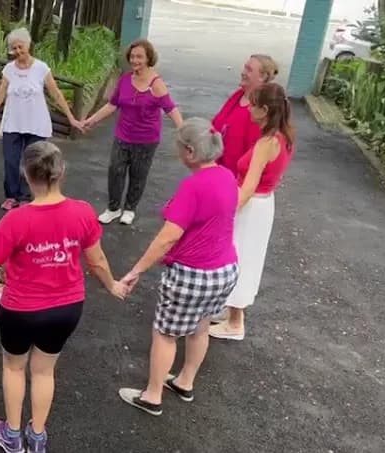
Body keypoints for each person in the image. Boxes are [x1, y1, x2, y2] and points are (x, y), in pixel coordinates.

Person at [0, 141, 127, 453]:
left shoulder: (17, 219)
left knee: (14, 367)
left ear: (26, 175)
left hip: (21, 310)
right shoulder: (82, 213)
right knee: (44, 370)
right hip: (66, 309)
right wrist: (112, 285)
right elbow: (97, 261)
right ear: (62, 171)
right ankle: (37, 437)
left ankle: (12, 435)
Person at [115, 117, 239, 417]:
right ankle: (184, 381)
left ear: (190, 152)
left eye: (179, 148)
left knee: (165, 333)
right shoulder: (226, 176)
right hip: (224, 270)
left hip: (192, 273)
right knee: (201, 326)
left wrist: (136, 270)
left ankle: (152, 395)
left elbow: (167, 237)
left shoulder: (194, 186)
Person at [209, 82, 294, 341]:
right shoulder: (283, 135)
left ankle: (235, 322)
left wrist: (224, 211)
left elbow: (247, 187)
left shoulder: (266, 143)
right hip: (263, 203)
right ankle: (231, 312)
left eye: (254, 104)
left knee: (239, 257)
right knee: (245, 256)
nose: (249, 108)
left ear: (265, 109)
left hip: (251, 206)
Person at [0, 27, 85, 211]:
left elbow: (56, 94)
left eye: (20, 47)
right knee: (10, 160)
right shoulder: (8, 70)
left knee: (32, 161)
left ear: (28, 45)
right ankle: (11, 195)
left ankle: (25, 196)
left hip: (35, 123)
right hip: (13, 122)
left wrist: (71, 118)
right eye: (14, 48)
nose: (18, 51)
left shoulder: (41, 68)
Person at [83, 39, 183, 225]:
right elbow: (112, 105)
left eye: (139, 57)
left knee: (138, 175)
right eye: (132, 56)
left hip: (146, 139)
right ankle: (113, 208)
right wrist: (91, 120)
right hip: (123, 135)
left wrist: (184, 131)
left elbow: (170, 109)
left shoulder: (156, 83)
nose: (135, 60)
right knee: (115, 171)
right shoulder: (125, 79)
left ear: (148, 59)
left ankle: (130, 208)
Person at [212, 54, 279, 176]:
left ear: (262, 76)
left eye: (249, 69)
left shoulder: (259, 110)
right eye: (244, 68)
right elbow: (217, 123)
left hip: (237, 178)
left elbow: (254, 154)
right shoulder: (238, 95)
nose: (243, 72)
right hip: (218, 169)